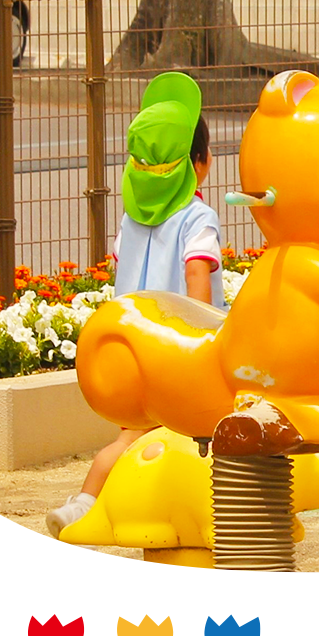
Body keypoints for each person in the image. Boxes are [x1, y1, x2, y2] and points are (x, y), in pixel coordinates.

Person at [46, 71, 225, 572]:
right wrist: (203, 332)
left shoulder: (132, 218)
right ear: (199, 163)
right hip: (177, 349)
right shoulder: (196, 218)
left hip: (130, 344)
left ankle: (84, 512)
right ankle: (91, 514)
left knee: (133, 436)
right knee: (174, 440)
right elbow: (197, 273)